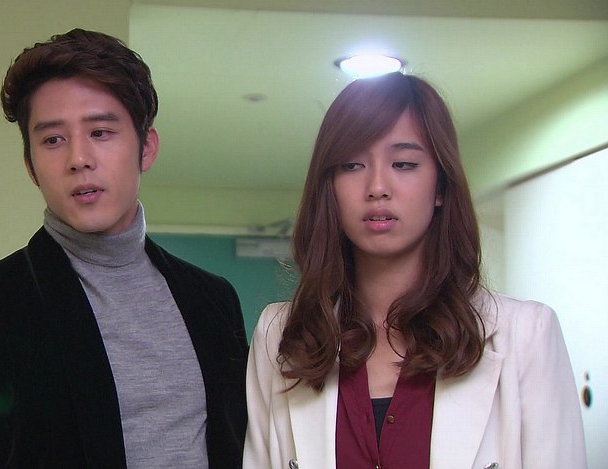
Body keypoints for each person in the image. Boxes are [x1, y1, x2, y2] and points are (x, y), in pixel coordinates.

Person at [0, 29, 248, 468]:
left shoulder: (213, 300)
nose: (78, 159)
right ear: (31, 166)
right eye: (53, 140)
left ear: (146, 148)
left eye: (100, 131)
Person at [243, 72, 586, 468]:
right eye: (352, 165)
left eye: (404, 164)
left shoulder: (526, 335)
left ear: (441, 186)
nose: (377, 187)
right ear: (329, 187)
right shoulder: (280, 336)